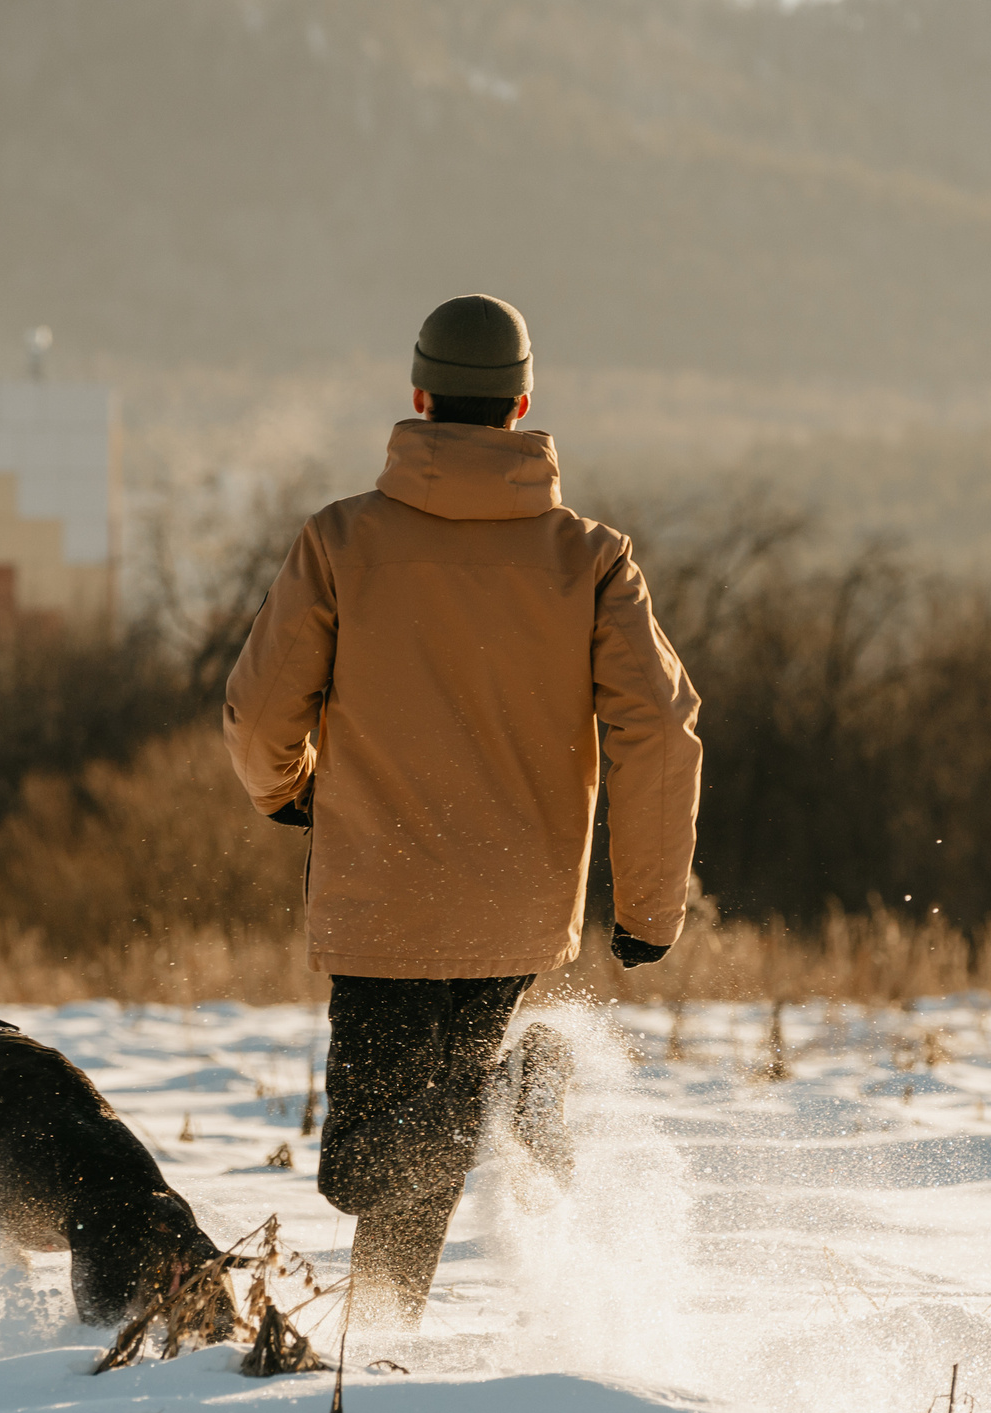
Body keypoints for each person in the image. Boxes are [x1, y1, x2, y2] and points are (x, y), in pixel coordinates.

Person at [221, 293, 704, 1326]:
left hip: (381, 900)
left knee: (373, 1163)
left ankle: (488, 1118)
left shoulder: (343, 543)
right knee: (401, 1162)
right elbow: (659, 730)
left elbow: (261, 709)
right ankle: (382, 1337)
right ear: (521, 401)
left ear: (419, 395)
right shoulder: (590, 560)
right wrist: (648, 912)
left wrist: (286, 792)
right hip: (514, 911)